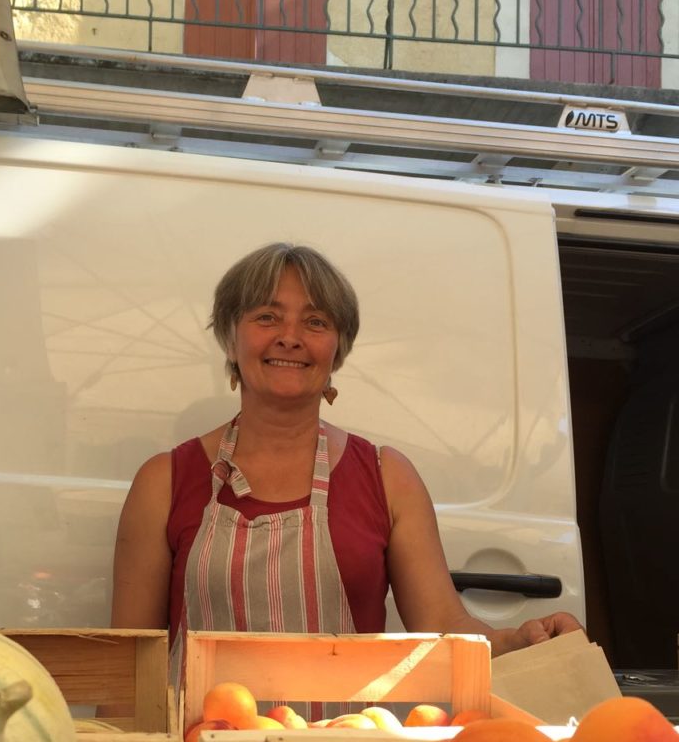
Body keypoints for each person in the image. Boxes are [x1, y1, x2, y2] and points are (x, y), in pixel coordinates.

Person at [111, 242, 583, 678]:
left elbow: (443, 625)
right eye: (267, 317)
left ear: (337, 351)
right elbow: (130, 664)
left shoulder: (386, 477)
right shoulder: (165, 481)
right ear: (231, 341)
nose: (290, 337)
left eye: (316, 322)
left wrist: (515, 641)